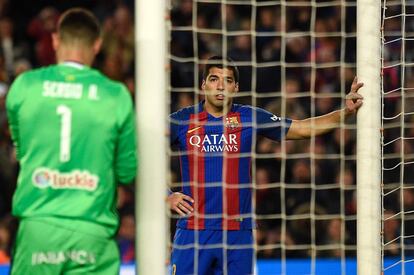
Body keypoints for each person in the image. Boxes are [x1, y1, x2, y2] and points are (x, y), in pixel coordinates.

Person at [167, 55, 363, 274]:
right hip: (193, 231)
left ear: (236, 87)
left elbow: (301, 128)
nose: (220, 85)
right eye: (214, 79)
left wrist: (344, 113)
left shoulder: (248, 117)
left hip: (237, 233)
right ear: (203, 84)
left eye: (228, 80)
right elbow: (143, 154)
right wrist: (165, 195)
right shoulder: (181, 120)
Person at [6, 8, 136, 275]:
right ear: (97, 45)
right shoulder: (116, 95)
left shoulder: (24, 86)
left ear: (55, 41)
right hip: (92, 231)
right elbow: (127, 170)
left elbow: (20, 148)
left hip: (39, 227)